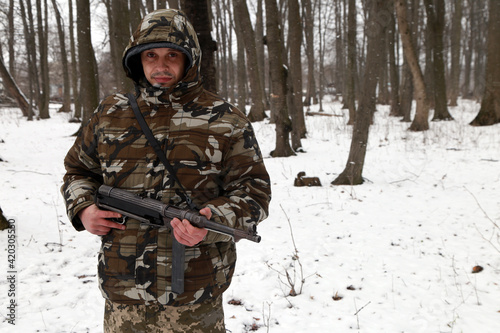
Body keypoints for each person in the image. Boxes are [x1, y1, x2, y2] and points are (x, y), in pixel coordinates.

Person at [61, 8, 271, 333]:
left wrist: (211, 222)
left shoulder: (226, 120)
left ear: (190, 59)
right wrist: (84, 208)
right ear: (137, 60)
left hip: (196, 293)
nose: (161, 66)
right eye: (151, 55)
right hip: (123, 290)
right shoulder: (110, 114)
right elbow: (78, 172)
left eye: (172, 54)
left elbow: (254, 194)